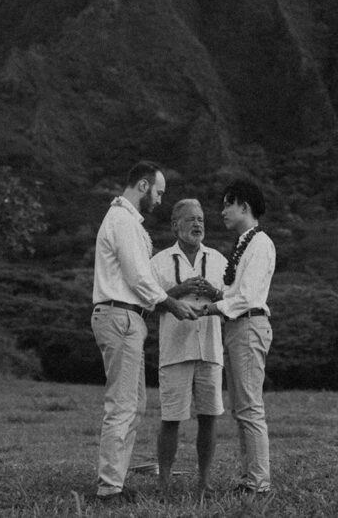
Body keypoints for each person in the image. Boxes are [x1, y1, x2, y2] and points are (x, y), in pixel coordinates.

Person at [90, 161, 198, 503]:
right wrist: (172, 304)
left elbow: (142, 279)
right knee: (122, 404)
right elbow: (138, 277)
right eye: (159, 192)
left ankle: (116, 481)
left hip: (128, 317)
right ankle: (109, 489)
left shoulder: (126, 221)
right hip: (119, 315)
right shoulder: (122, 220)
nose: (160, 200)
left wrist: (172, 294)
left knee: (134, 404)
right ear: (142, 185)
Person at [198, 179, 276, 494]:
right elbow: (237, 292)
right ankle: (251, 478)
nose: (222, 211)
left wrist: (210, 308)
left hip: (247, 326)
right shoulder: (246, 242)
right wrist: (217, 293)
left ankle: (258, 482)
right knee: (242, 408)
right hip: (238, 327)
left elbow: (247, 297)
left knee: (249, 408)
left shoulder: (259, 243)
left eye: (227, 204)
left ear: (243, 205)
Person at [149, 199, 228, 499]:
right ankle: (163, 483)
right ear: (175, 225)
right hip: (175, 351)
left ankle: (204, 481)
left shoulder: (219, 260)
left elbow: (232, 303)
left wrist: (215, 294)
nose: (198, 225)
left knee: (209, 416)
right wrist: (177, 293)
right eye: (191, 219)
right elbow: (148, 304)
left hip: (210, 349)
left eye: (201, 220)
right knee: (171, 418)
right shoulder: (158, 262)